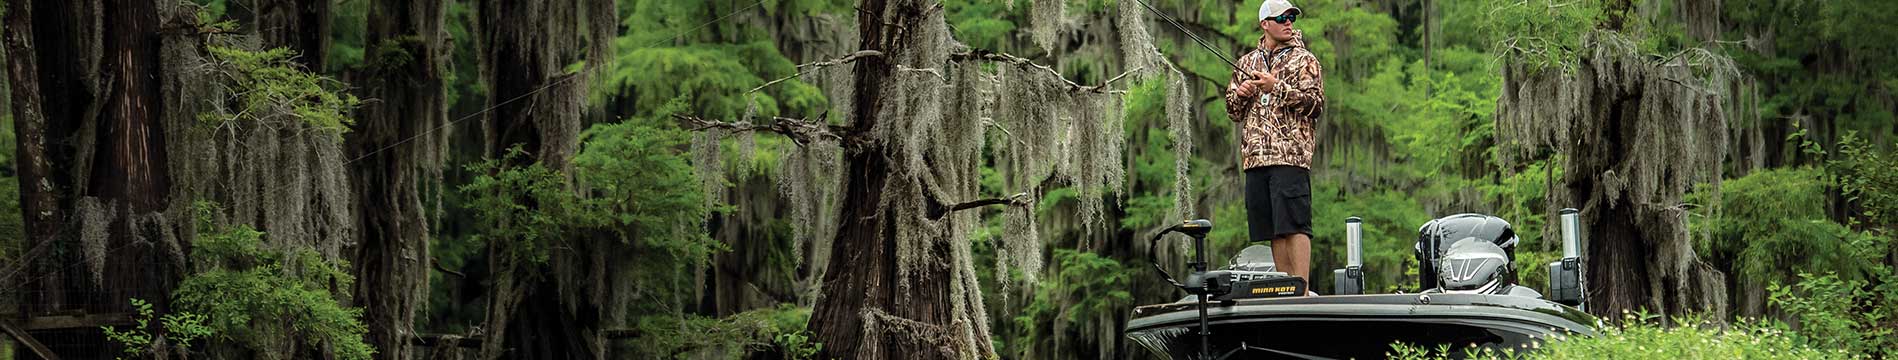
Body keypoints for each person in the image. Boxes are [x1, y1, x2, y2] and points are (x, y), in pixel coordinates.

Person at [1223, 0, 1325, 288]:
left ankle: (1301, 291)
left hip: (1290, 156)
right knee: (1273, 230)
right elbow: (1233, 112)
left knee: (1295, 225)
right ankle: (1285, 287)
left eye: (1291, 17)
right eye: (1282, 18)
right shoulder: (1246, 63)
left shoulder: (1305, 60)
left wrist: (1275, 87)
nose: (1289, 22)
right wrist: (1242, 93)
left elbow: (1315, 105)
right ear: (1265, 24)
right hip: (1256, 159)